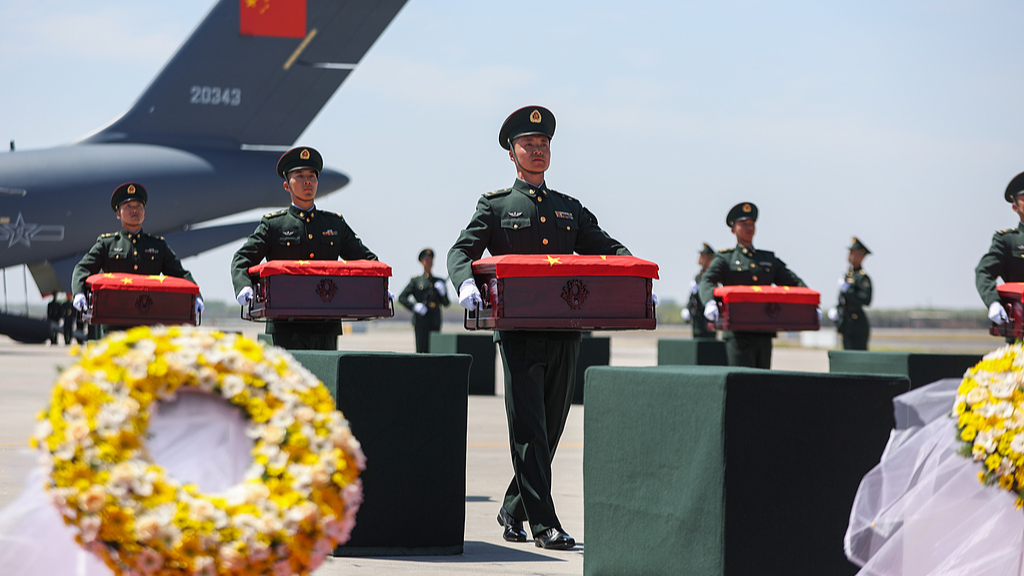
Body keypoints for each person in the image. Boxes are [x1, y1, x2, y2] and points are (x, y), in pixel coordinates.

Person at [448, 106, 633, 551]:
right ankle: (544, 523)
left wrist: (630, 273)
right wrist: (465, 285)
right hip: (518, 333)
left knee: (550, 429)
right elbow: (460, 251)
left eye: (544, 144)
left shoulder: (568, 209)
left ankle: (513, 506)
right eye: (528, 145)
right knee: (529, 429)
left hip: (566, 332)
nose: (537, 151)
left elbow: (611, 249)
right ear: (511, 154)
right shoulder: (495, 205)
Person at [231, 146, 380, 350]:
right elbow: (242, 259)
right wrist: (244, 286)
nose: (307, 181)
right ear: (287, 185)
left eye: (311, 176)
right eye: (299, 176)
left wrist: (380, 287)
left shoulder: (334, 224)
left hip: (326, 324)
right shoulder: (274, 225)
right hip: (285, 324)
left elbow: (365, 259)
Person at [71, 182, 203, 334]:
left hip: (148, 323)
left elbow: (181, 275)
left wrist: (196, 296)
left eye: (139, 206)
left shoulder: (158, 246)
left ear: (144, 213)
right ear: (118, 213)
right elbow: (82, 268)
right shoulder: (107, 244)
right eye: (128, 206)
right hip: (113, 322)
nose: (134, 210)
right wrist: (79, 293)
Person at [699, 202, 808, 368]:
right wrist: (710, 301)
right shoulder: (725, 258)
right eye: (743, 224)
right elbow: (707, 280)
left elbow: (793, 282)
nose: (748, 228)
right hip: (737, 333)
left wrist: (809, 302)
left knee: (763, 383)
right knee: (741, 383)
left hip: (764, 330)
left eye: (751, 224)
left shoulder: (767, 259)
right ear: (733, 229)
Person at [976, 171, 1024, 339]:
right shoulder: (1008, 241)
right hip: (1020, 334)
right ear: (1014, 206)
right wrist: (994, 302)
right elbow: (984, 272)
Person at [398, 248, 450, 353]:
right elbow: (402, 297)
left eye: (431, 260)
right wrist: (414, 306)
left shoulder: (438, 281)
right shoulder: (416, 281)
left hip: (435, 320)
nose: (429, 262)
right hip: (421, 321)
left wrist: (443, 293)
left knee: (435, 350)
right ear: (422, 262)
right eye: (426, 260)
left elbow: (446, 303)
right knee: (421, 351)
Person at [827, 237, 872, 350]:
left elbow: (866, 299)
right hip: (846, 321)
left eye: (853, 252)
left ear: (861, 255)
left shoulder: (862, 277)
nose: (849, 255)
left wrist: (850, 292)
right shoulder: (848, 275)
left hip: (857, 323)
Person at [681, 243, 717, 339]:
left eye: (703, 255)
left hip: (707, 316)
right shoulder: (698, 276)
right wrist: (688, 308)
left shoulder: (713, 275)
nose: (700, 258)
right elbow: (692, 295)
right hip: (697, 316)